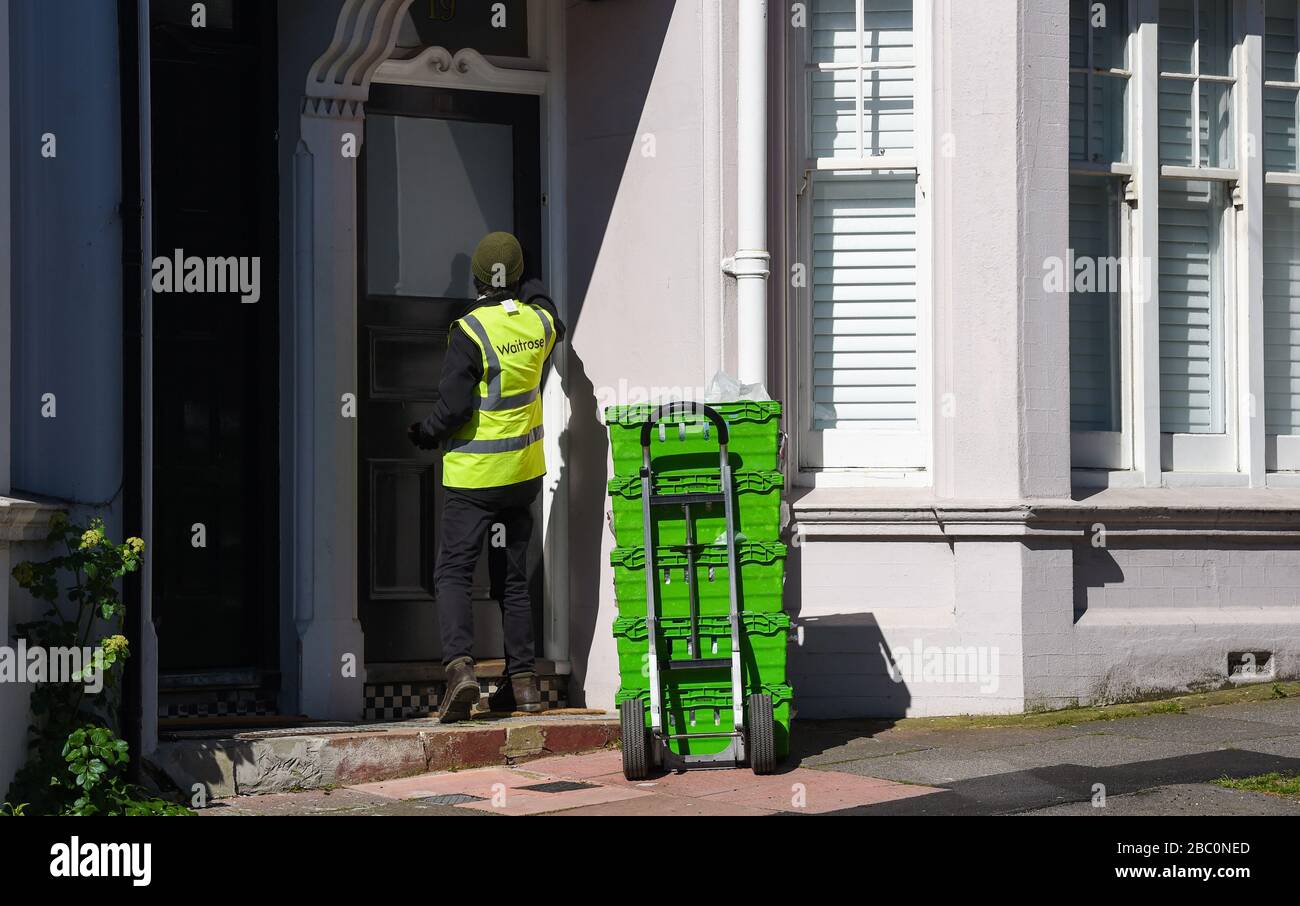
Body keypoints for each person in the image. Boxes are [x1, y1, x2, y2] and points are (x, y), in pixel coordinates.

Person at [408, 232, 565, 723]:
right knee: (513, 579)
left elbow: (453, 408)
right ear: (517, 278)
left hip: (475, 479)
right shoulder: (541, 324)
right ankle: (524, 685)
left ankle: (461, 672)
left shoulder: (470, 330)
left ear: (476, 278)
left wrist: (425, 432)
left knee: (453, 572)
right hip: (522, 478)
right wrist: (526, 280)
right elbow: (546, 304)